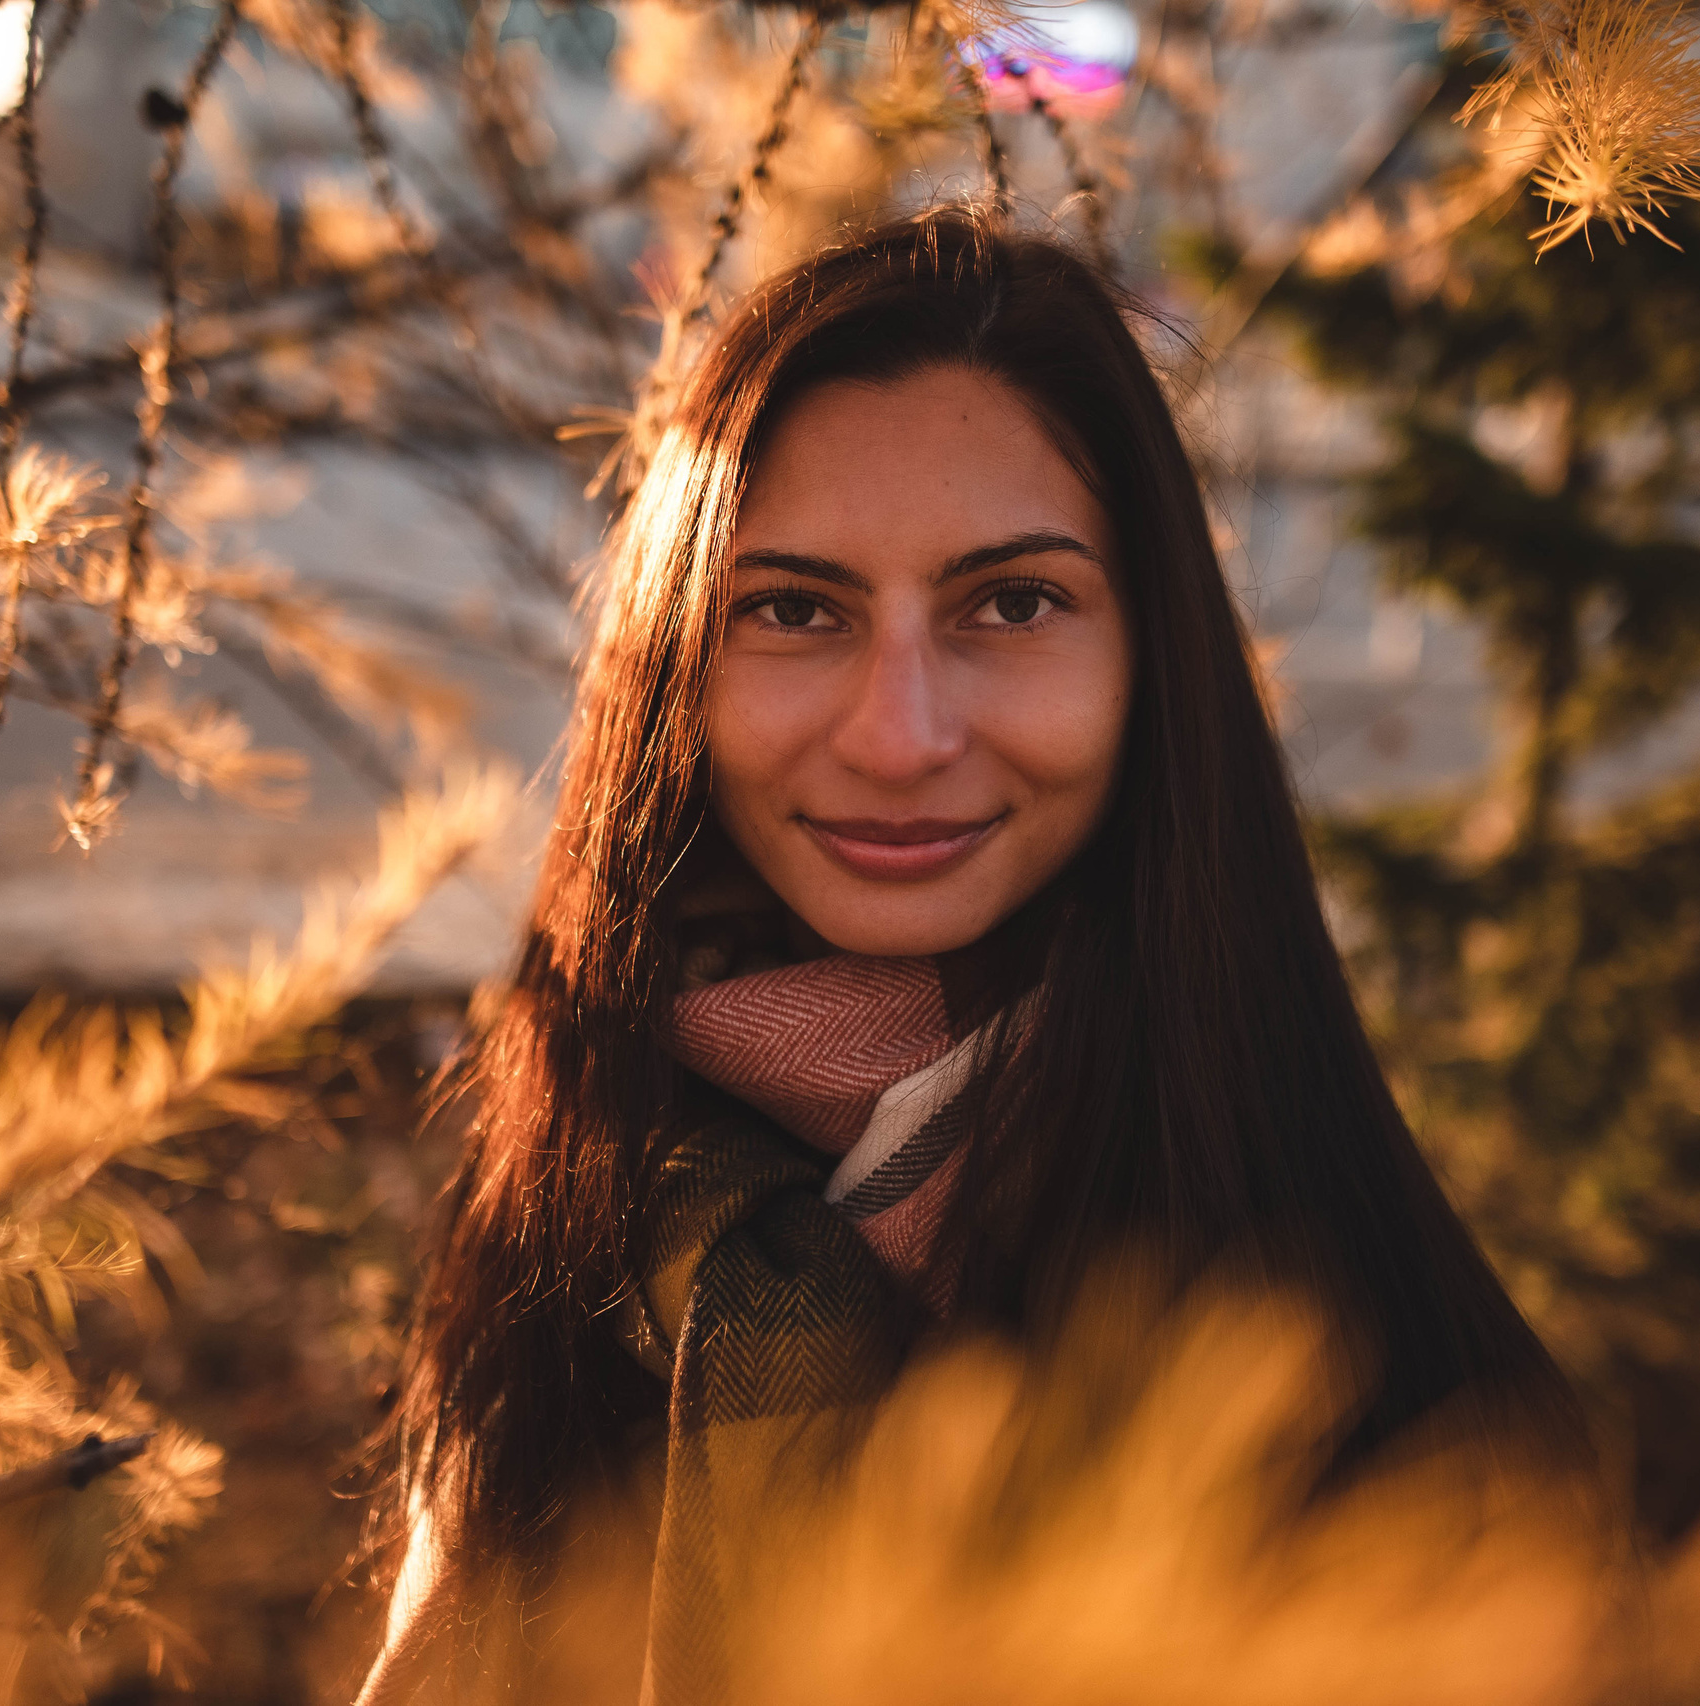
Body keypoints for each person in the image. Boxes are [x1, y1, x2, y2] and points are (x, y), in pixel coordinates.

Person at [360, 205, 1584, 1704]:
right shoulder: (573, 1213)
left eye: (1013, 602)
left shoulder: (1349, 1347)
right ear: (677, 659)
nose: (899, 733)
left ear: (1153, 658)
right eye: (794, 608)